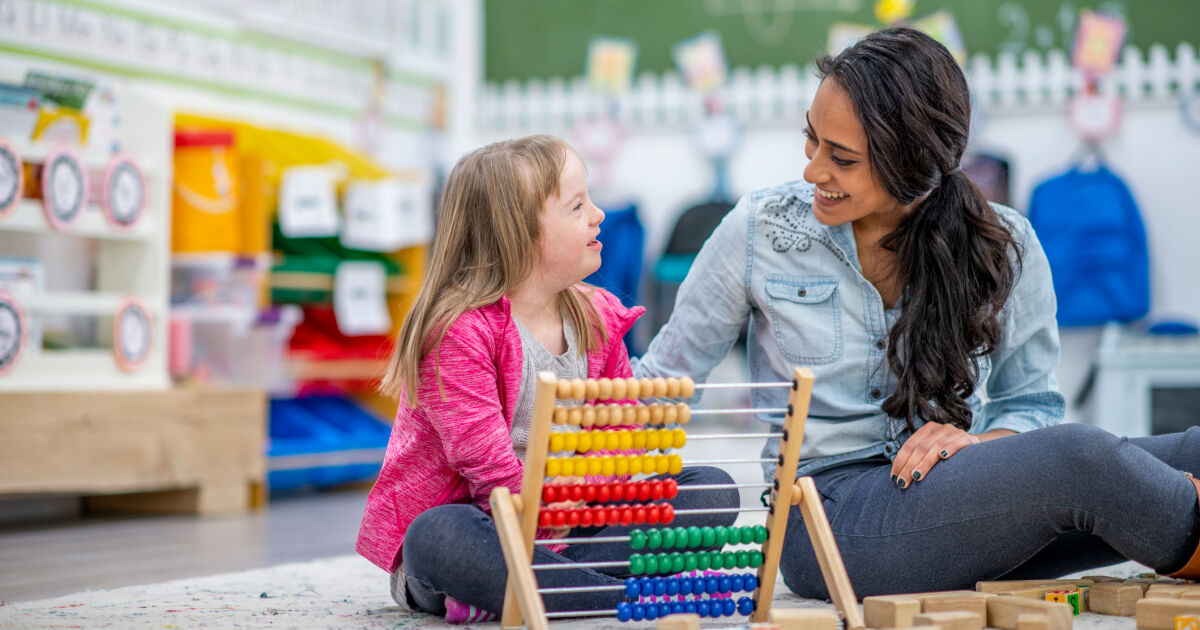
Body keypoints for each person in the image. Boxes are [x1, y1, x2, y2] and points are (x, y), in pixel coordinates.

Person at [633, 27, 1200, 598]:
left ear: (914, 166)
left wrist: (976, 446)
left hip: (958, 504)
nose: (813, 171)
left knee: (1186, 452)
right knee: (1085, 461)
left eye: (843, 158)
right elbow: (664, 383)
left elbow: (1031, 407)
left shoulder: (1007, 244)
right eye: (813, 140)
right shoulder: (759, 231)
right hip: (829, 522)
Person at [357, 135, 739, 623]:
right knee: (435, 536)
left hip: (576, 524)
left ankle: (549, 587)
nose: (599, 215)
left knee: (711, 489)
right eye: (577, 206)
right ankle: (612, 593)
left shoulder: (598, 317)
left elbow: (619, 434)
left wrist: (584, 495)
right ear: (516, 233)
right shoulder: (457, 332)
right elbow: (488, 469)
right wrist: (553, 515)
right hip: (487, 526)